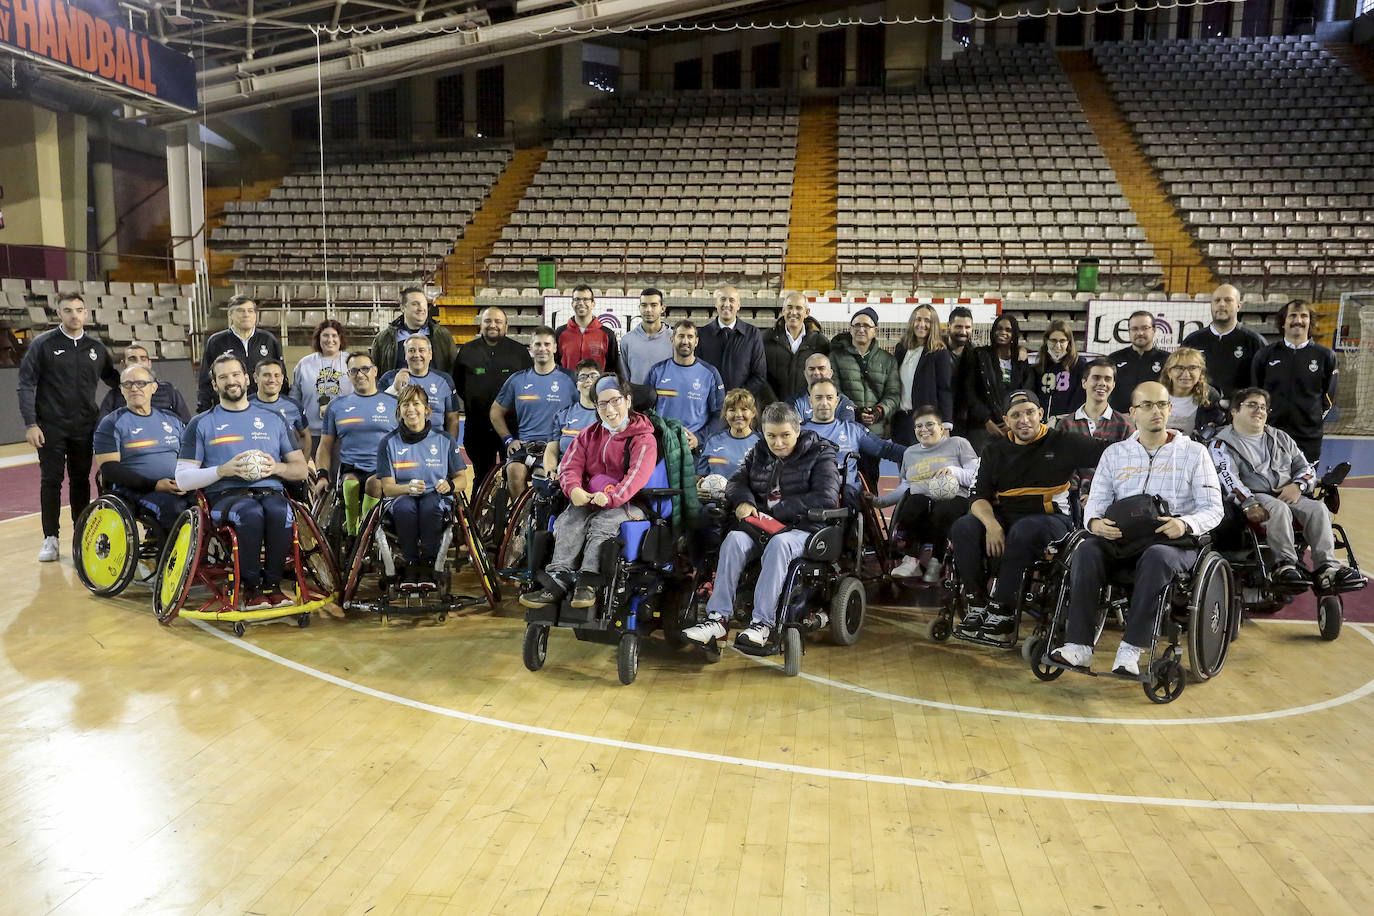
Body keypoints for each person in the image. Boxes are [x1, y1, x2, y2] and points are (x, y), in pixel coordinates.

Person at [1050, 382, 1224, 675]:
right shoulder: (1115, 453)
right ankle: (1078, 646)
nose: (1156, 411)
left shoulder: (1195, 453)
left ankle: (1131, 649)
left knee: (1157, 557)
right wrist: (1094, 523)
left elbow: (1214, 509)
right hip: (1124, 538)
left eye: (1162, 405)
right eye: (1147, 405)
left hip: (1172, 542)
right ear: (1132, 413)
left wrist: (1185, 523)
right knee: (1086, 549)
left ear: (1170, 409)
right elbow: (1097, 501)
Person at [680, 402, 841, 648]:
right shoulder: (759, 451)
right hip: (764, 525)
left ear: (797, 431)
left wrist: (776, 511)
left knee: (779, 544)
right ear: (763, 433)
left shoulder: (821, 453)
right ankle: (718, 619)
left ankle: (762, 624)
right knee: (734, 538)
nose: (778, 443)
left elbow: (826, 497)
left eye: (785, 435)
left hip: (805, 528)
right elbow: (735, 482)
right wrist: (744, 501)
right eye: (771, 436)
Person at [949, 389, 1107, 637]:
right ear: (1007, 420)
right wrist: (992, 525)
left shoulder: (1064, 441)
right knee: (963, 527)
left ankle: (1003, 609)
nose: (1024, 420)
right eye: (1016, 415)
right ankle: (977, 603)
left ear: (1041, 414)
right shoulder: (994, 450)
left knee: (1024, 531)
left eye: (1030, 413)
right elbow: (977, 497)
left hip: (1052, 519)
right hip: (1004, 517)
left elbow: (1110, 452)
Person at [176, 354, 309, 608]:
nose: (231, 381)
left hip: (270, 492)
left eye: (236, 375)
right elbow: (182, 479)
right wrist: (222, 471)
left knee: (280, 511)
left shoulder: (273, 420)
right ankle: (252, 589)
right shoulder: (201, 423)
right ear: (214, 385)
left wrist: (276, 467)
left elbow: (301, 470)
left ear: (247, 379)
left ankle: (273, 585)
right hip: (225, 496)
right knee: (250, 514)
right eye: (223, 377)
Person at [520, 375, 657, 609]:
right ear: (596, 406)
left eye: (615, 401)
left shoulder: (643, 438)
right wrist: (573, 489)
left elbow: (636, 477)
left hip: (629, 504)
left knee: (603, 522)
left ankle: (588, 582)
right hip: (591, 498)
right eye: (602, 404)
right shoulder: (588, 434)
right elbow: (570, 466)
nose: (610, 409)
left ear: (628, 400)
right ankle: (559, 579)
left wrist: (612, 497)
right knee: (569, 519)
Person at [1209, 388, 1362, 591]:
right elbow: (1229, 479)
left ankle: (1327, 568)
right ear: (1235, 411)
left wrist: (1298, 485)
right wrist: (1249, 503)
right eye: (1252, 405)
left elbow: (1305, 468)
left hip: (1289, 492)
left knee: (1318, 509)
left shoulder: (1280, 437)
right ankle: (1285, 565)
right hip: (1255, 496)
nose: (1259, 411)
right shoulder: (1220, 444)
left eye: (1263, 407)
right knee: (1277, 509)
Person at [17, 291, 119, 562]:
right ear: (59, 314)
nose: (74, 315)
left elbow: (115, 380)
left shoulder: (96, 347)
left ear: (86, 313)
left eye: (79, 310)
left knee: (80, 480)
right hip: (50, 426)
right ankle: (50, 538)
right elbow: (26, 384)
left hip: (84, 427)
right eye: (68, 310)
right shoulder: (43, 344)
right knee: (51, 481)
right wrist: (30, 423)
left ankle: (81, 532)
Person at [374, 385, 470, 586]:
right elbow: (388, 488)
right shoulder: (388, 442)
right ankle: (411, 563)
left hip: (436, 497)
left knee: (430, 506)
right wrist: (406, 488)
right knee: (405, 507)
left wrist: (449, 486)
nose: (411, 409)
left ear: (427, 409)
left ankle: (428, 563)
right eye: (405, 404)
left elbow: (462, 479)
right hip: (401, 497)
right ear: (399, 410)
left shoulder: (444, 440)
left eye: (416, 403)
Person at [875, 405, 978, 583]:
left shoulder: (959, 444)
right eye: (918, 426)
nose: (924, 430)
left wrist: (953, 471)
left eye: (929, 424)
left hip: (954, 498)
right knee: (915, 502)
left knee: (943, 509)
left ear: (941, 427)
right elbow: (905, 486)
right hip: (921, 499)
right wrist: (880, 501)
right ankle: (911, 559)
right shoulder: (910, 453)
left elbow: (975, 477)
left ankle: (937, 561)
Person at [92, 364, 189, 544]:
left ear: (154, 387)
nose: (134, 388)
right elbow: (109, 469)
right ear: (121, 390)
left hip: (177, 485)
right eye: (128, 384)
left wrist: (188, 480)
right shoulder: (111, 423)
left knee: (205, 502)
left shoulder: (172, 419)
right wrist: (155, 485)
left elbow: (189, 456)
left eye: (141, 383)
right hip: (137, 491)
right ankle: (173, 564)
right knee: (174, 508)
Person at [452, 306, 533, 489]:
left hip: (512, 428)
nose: (493, 325)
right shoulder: (467, 351)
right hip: (478, 428)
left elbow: (528, 384)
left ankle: (512, 515)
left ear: (506, 326)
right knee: (482, 475)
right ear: (481, 324)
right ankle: (477, 516)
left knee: (513, 474)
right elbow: (459, 383)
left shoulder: (519, 352)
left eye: (498, 321)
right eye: (488, 321)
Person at [315, 352, 395, 537]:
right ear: (349, 375)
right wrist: (322, 475)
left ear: (375, 371)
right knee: (349, 484)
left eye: (365, 369)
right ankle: (353, 532)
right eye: (354, 371)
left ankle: (367, 533)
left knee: (373, 484)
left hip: (382, 469)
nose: (360, 374)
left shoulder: (393, 404)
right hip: (351, 468)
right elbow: (325, 445)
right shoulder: (336, 407)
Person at [491, 326, 575, 497]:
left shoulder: (570, 379)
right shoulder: (517, 380)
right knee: (514, 471)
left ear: (555, 348)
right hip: (526, 445)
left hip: (556, 447)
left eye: (546, 344)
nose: (542, 349)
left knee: (542, 475)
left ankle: (541, 518)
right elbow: (495, 412)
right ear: (530, 349)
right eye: (537, 344)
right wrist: (508, 440)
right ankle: (522, 519)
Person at [1252, 298, 1337, 463]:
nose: (1298, 320)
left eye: (1304, 316)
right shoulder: (1265, 355)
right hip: (1270, 434)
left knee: (1304, 486)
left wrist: (1313, 421)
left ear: (1310, 322)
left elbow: (1329, 398)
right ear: (1283, 322)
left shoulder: (1325, 356)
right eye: (1292, 316)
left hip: (1308, 437)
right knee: (1271, 486)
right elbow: (1255, 393)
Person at [1050, 358, 1134, 514]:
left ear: (1113, 385)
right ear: (1084, 383)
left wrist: (1099, 496)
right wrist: (1079, 496)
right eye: (1096, 377)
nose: (1102, 383)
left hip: (1113, 501)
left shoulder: (1125, 426)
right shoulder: (1065, 425)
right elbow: (1063, 467)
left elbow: (1127, 469)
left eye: (1107, 379)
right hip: (1071, 501)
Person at [829, 306, 900, 488]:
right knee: (842, 481)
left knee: (870, 482)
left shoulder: (888, 360)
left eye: (867, 326)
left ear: (875, 330)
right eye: (857, 325)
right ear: (851, 329)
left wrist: (878, 411)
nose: (861, 329)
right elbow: (833, 390)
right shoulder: (836, 357)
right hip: (844, 430)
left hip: (873, 432)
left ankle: (868, 516)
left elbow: (893, 393)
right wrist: (854, 411)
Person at [802, 378, 904, 493]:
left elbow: (886, 449)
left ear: (836, 401)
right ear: (810, 401)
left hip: (849, 500)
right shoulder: (798, 432)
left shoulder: (852, 430)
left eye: (829, 397)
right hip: (811, 499)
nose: (824, 403)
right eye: (818, 397)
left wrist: (922, 453)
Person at [643, 320, 726, 449]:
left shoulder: (710, 373)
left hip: (695, 449)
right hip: (662, 446)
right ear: (672, 340)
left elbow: (719, 414)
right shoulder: (656, 371)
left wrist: (699, 438)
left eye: (690, 337)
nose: (685, 341)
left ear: (696, 341)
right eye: (681, 336)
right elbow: (644, 412)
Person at [195, 295, 285, 412]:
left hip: (264, 409)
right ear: (230, 315)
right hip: (228, 409)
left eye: (250, 311)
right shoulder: (216, 342)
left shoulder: (269, 340)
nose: (246, 314)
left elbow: (281, 376)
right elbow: (206, 381)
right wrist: (204, 409)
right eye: (240, 311)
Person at [964, 313, 1036, 453]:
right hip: (983, 428)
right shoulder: (979, 355)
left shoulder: (1021, 359)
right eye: (999, 328)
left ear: (1014, 333)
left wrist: (1012, 422)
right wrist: (986, 421)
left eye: (1008, 330)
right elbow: (970, 391)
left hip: (1014, 427)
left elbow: (1027, 392)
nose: (1003, 332)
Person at [1181, 283, 1266, 397]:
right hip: (1199, 409)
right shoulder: (1192, 341)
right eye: (1217, 300)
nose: (1221, 304)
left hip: (1239, 411)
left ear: (1239, 306)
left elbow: (1263, 383)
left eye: (1228, 300)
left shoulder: (1254, 342)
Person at [892, 304, 955, 445]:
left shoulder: (940, 353)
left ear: (934, 325)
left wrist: (945, 424)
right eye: (918, 319)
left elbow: (944, 389)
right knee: (903, 464)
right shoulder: (901, 349)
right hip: (901, 420)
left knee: (923, 466)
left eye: (927, 321)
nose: (922, 324)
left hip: (925, 423)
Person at [379, 336, 460, 438]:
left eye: (421, 350)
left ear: (430, 354)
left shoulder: (444, 381)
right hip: (400, 444)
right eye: (411, 351)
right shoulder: (390, 378)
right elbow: (376, 411)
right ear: (405, 355)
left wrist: (450, 447)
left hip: (434, 445)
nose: (417, 355)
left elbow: (452, 418)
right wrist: (394, 388)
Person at [696, 285, 768, 397]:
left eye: (732, 300)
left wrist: (737, 398)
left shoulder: (752, 334)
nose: (727, 304)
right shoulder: (702, 334)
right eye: (723, 299)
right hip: (710, 405)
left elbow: (759, 375)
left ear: (738, 305)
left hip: (741, 407)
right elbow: (697, 372)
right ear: (716, 304)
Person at [369, 286, 457, 374]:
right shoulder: (383, 339)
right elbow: (374, 373)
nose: (421, 308)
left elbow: (453, 369)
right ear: (403, 308)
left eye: (424, 304)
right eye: (415, 304)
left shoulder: (442, 336)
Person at [762, 292, 830, 404]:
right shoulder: (766, 338)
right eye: (789, 308)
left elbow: (825, 379)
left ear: (807, 312)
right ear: (783, 311)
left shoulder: (820, 342)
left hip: (807, 409)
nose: (793, 312)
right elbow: (761, 376)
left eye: (799, 308)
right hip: (774, 408)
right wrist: (773, 404)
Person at [98, 343, 192, 423]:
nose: (138, 362)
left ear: (149, 364)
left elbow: (186, 424)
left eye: (143, 359)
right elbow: (101, 430)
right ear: (123, 364)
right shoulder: (113, 396)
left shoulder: (168, 391)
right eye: (132, 359)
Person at [292, 319, 352, 442]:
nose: (330, 340)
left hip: (345, 431)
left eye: (334, 335)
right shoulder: (304, 363)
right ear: (318, 338)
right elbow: (294, 398)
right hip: (312, 432)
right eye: (325, 335)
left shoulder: (351, 362)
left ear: (340, 338)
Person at [542, 360, 603, 474]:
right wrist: (550, 473)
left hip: (597, 476)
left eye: (594, 376)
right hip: (565, 475)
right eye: (583, 377)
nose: (588, 380)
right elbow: (551, 450)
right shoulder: (563, 415)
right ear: (577, 386)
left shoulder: (611, 415)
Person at [1107, 310, 1168, 414]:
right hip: (1120, 419)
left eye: (1145, 328)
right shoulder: (1114, 359)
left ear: (1154, 330)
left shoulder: (1168, 360)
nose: (1140, 333)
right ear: (1129, 331)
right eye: (1135, 329)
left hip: (1154, 417)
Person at [250, 358, 311, 459]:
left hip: (287, 469)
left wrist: (303, 464)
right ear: (256, 377)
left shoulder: (293, 406)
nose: (272, 380)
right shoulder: (246, 405)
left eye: (276, 375)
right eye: (266, 375)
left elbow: (305, 436)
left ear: (282, 378)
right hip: (256, 468)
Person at [1159, 347, 1225, 439]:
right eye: (1179, 368)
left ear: (1200, 371)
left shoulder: (1210, 396)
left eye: (1192, 368)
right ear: (1169, 372)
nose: (1186, 374)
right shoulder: (1155, 394)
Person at [697, 389, 760, 481]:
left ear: (753, 413)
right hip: (714, 495)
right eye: (732, 410)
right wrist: (698, 489)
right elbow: (700, 476)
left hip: (746, 495)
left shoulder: (761, 442)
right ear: (725, 414)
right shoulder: (713, 440)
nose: (738, 414)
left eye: (744, 409)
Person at [555, 285, 620, 373]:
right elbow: (555, 364)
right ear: (572, 304)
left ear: (593, 304)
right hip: (568, 385)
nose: (581, 303)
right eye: (577, 299)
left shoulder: (608, 334)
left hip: (597, 386)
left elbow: (613, 368)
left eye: (585, 299)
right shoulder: (559, 333)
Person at [1034, 319, 1086, 418]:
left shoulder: (1080, 366)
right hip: (1043, 425)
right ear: (1046, 341)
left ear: (1069, 343)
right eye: (1053, 340)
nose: (1057, 345)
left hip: (1068, 424)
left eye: (1062, 341)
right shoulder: (1039, 368)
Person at [619, 288, 673, 384]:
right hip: (637, 396)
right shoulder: (627, 340)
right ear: (639, 307)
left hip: (666, 396)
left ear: (663, 308)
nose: (648, 310)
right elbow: (624, 377)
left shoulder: (674, 339)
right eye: (644, 305)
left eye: (654, 305)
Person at [792, 353, 857, 423]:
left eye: (821, 368)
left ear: (830, 373)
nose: (816, 373)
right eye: (811, 369)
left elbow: (845, 430)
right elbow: (794, 430)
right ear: (805, 373)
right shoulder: (794, 402)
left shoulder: (843, 402)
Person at [945, 305, 976, 438]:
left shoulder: (976, 355)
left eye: (967, 327)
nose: (963, 331)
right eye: (958, 326)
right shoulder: (934, 351)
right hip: (940, 420)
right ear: (948, 326)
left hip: (965, 420)